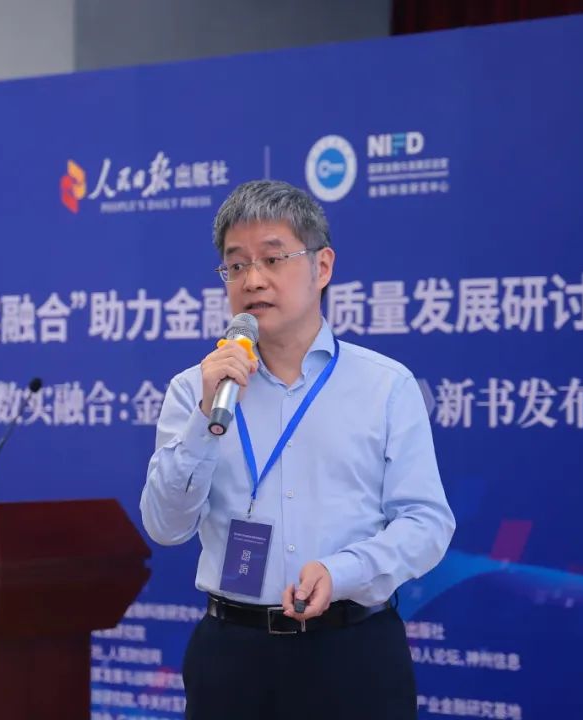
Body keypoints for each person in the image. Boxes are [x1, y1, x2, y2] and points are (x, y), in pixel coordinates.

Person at [140, 179, 455, 720]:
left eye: (272, 258)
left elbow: (426, 523)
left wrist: (344, 571)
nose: (253, 280)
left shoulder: (385, 385)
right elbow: (165, 527)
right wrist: (205, 420)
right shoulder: (195, 389)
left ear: (322, 266)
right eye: (236, 265)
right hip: (231, 657)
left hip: (351, 652)